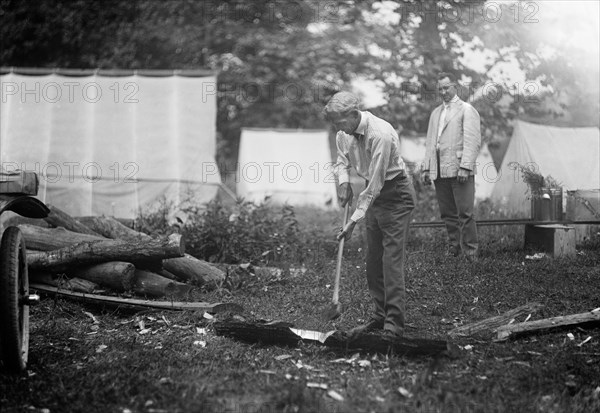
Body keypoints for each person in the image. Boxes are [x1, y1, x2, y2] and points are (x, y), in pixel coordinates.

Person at [323, 91, 416, 338]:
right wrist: (344, 183)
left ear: (353, 115)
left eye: (339, 122)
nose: (336, 128)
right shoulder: (344, 132)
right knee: (373, 262)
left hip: (395, 194)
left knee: (390, 262)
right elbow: (342, 160)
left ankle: (394, 326)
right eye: (333, 123)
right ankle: (380, 316)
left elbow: (375, 184)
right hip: (373, 196)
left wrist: (353, 221)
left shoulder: (381, 135)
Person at [421, 72, 482, 261]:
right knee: (447, 213)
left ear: (456, 86)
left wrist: (465, 166)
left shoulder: (466, 109)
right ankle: (454, 248)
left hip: (459, 168)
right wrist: (426, 167)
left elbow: (472, 141)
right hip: (440, 169)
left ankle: (471, 252)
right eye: (440, 88)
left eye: (446, 87)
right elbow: (430, 142)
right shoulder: (435, 113)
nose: (443, 91)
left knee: (465, 213)